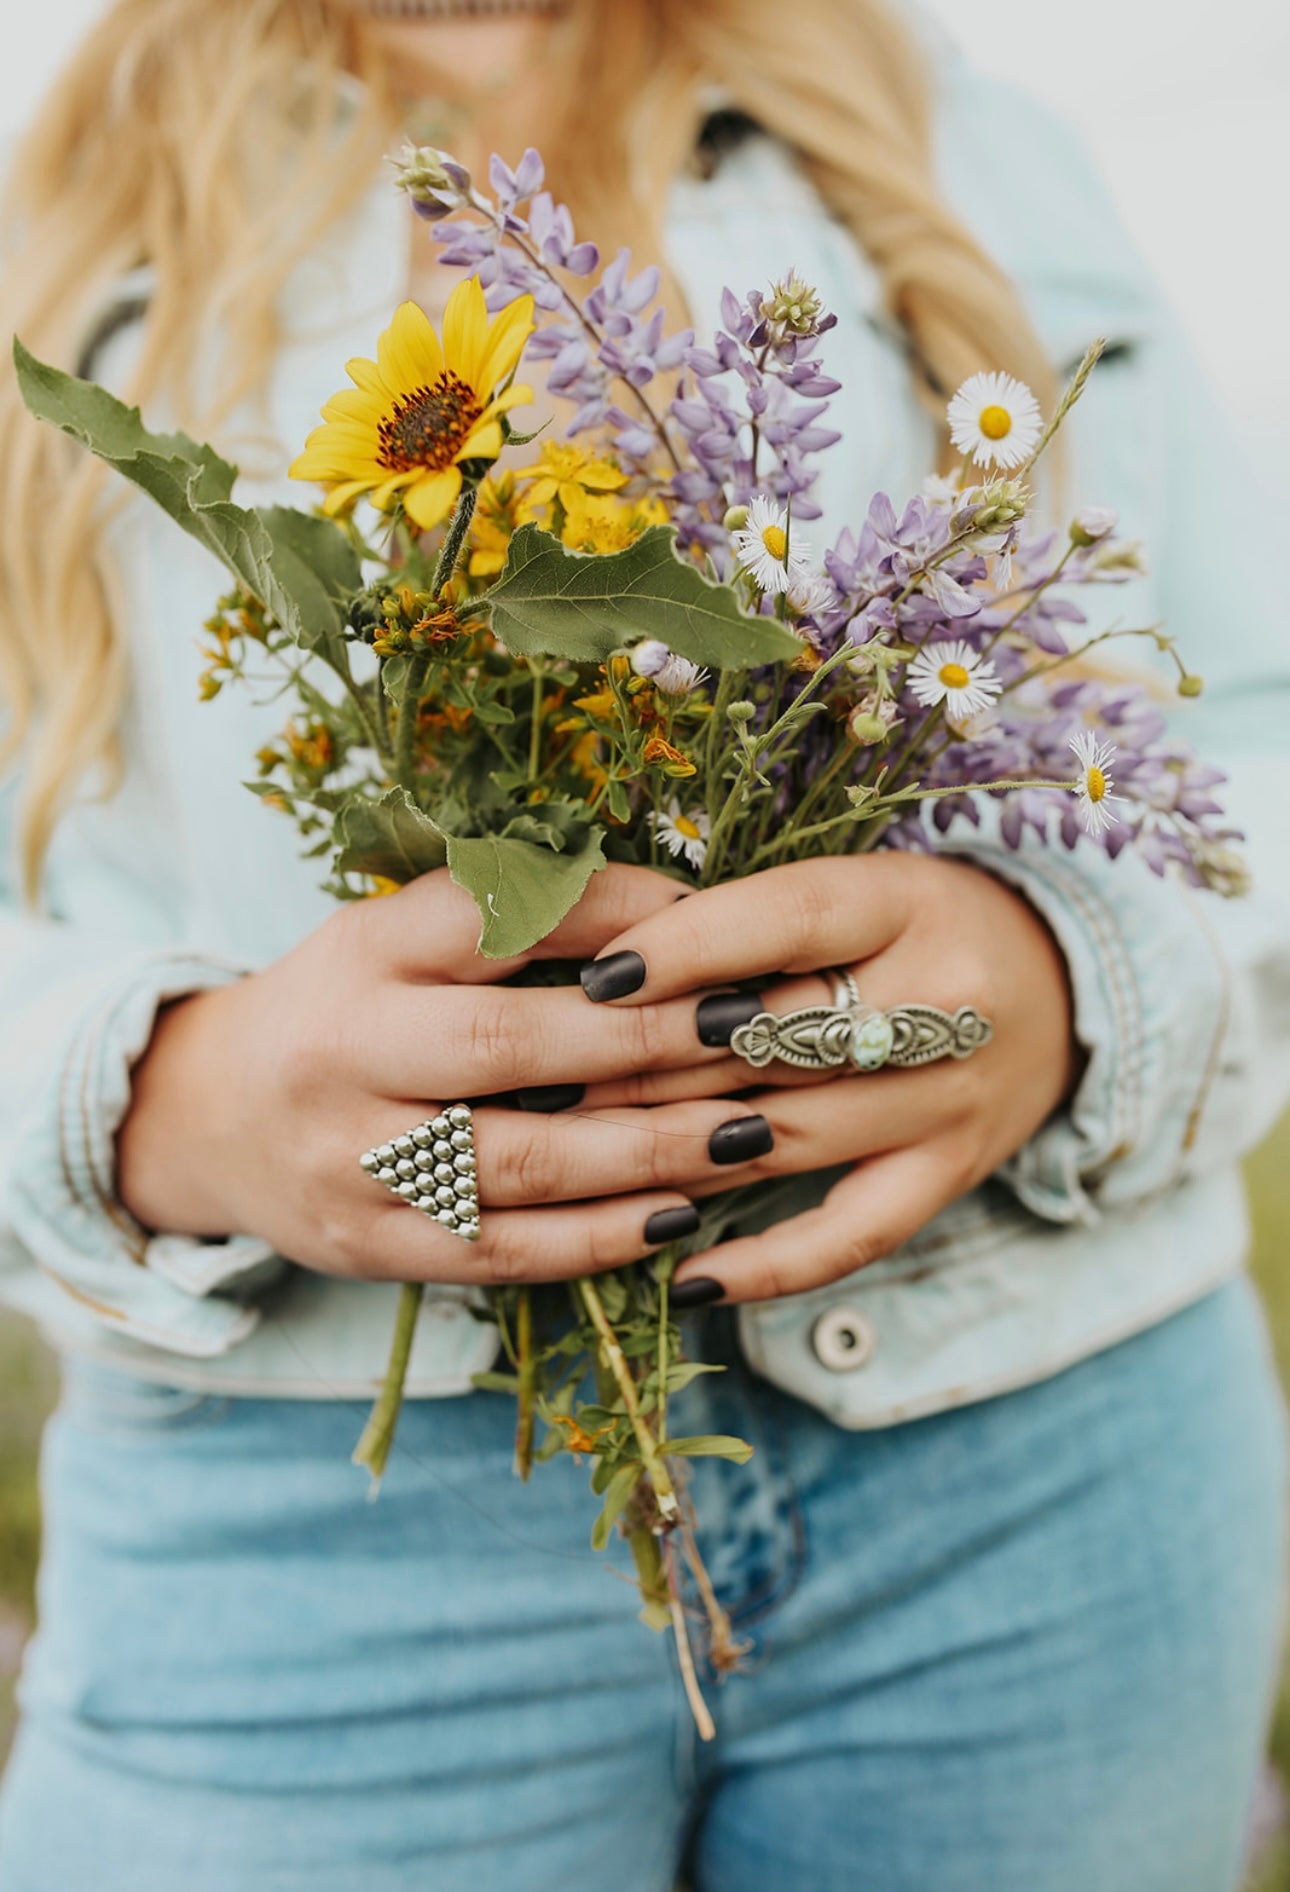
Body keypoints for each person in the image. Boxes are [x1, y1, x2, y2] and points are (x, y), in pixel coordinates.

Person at [0, 2, 1287, 1888]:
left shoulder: (947, 135)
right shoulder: (69, 228)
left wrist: (1070, 966)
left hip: (1036, 1450)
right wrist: (184, 1104)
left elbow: (1243, 729)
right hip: (313, 1536)